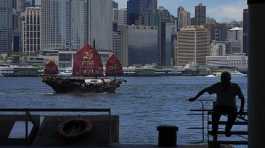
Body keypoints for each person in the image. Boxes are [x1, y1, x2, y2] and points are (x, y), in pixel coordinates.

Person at [188, 71, 245, 138]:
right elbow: (205, 90)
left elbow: (242, 98)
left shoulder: (235, 86)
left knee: (233, 115)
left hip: (230, 107)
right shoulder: (219, 85)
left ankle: (227, 129)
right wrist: (195, 98)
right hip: (220, 106)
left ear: (229, 79)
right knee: (215, 114)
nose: (223, 80)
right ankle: (215, 130)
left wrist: (241, 109)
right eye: (222, 78)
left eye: (224, 79)